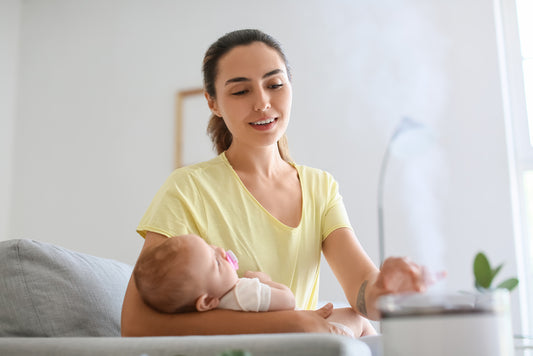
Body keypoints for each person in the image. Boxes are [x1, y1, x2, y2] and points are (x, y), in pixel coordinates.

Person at [121, 28, 428, 337]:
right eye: (241, 91)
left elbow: (363, 294)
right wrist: (293, 322)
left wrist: (386, 292)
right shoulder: (188, 188)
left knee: (358, 321)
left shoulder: (320, 187)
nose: (262, 102)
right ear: (212, 103)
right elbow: (136, 324)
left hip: (308, 347)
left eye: (275, 84)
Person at [133, 234, 373, 337]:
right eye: (216, 262)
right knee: (358, 319)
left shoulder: (215, 311)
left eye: (210, 247)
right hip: (310, 335)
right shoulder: (243, 292)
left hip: (302, 330)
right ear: (206, 301)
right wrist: (262, 281)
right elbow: (288, 300)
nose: (219, 250)